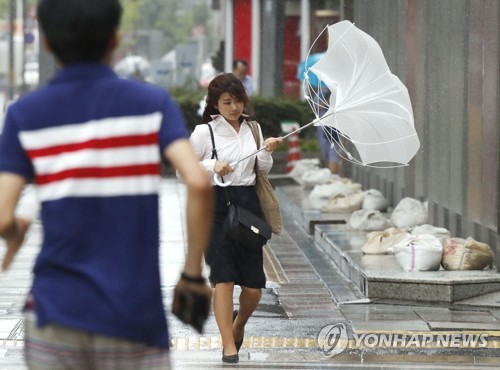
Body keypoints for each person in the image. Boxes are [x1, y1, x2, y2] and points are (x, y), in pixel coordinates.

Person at [0, 1, 213, 369]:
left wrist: (15, 230)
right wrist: (192, 275)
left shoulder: (25, 115)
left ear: (47, 43)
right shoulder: (152, 105)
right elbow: (197, 182)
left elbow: (3, 215)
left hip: (55, 314)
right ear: (115, 38)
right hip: (133, 318)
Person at [189, 73, 282, 364]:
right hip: (214, 210)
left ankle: (238, 323)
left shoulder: (252, 129)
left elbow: (261, 169)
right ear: (215, 104)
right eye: (226, 102)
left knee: (254, 288)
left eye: (237, 100)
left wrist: (267, 150)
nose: (233, 107)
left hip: (247, 208)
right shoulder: (205, 133)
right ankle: (229, 346)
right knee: (223, 279)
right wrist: (212, 166)